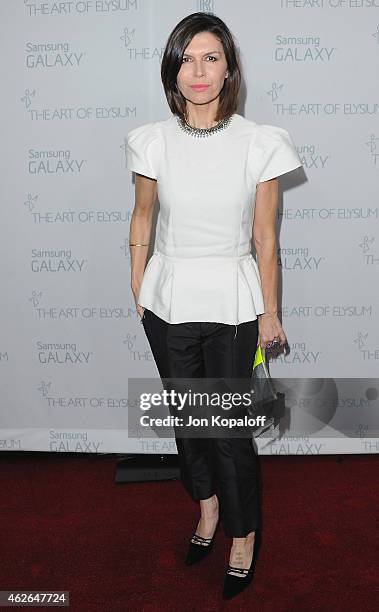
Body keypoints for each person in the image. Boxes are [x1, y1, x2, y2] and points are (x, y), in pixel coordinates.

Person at [126, 12, 303, 601]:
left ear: (229, 68)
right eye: (186, 57)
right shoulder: (151, 139)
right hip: (166, 301)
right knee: (188, 423)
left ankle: (243, 535)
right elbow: (143, 216)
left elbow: (266, 238)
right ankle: (205, 510)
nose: (197, 71)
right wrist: (137, 286)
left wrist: (270, 313)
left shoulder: (261, 142)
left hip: (233, 303)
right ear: (171, 68)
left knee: (228, 430)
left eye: (210, 58)